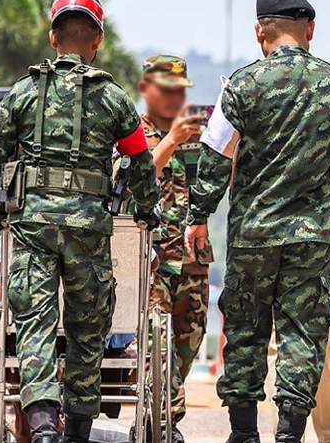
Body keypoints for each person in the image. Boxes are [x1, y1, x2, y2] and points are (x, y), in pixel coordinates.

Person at [184, 0, 330, 443]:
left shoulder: (241, 85)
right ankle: (289, 433)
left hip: (253, 234)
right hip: (311, 237)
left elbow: (213, 156)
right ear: (310, 30)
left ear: (259, 31)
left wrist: (197, 215)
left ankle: (244, 433)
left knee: (247, 332)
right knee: (302, 337)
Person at [0, 0, 161, 443]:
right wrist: (146, 210)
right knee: (87, 327)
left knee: (35, 322)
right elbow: (139, 161)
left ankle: (41, 428)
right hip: (88, 230)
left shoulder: (22, 93)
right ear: (96, 40)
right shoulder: (115, 100)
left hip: (33, 227)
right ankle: (78, 430)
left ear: (53, 37)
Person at [136, 55, 212, 443]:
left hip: (193, 259)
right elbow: (133, 178)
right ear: (145, 89)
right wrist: (171, 141)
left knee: (188, 341)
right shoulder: (132, 133)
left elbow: (220, 179)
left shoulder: (200, 135)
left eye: (179, 91)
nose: (172, 98)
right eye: (165, 90)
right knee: (155, 340)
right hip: (150, 260)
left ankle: (159, 414)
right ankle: (164, 420)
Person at [266, 263, 330, 443]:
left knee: (278, 356)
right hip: (320, 272)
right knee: (323, 357)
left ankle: (285, 435)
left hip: (276, 275)